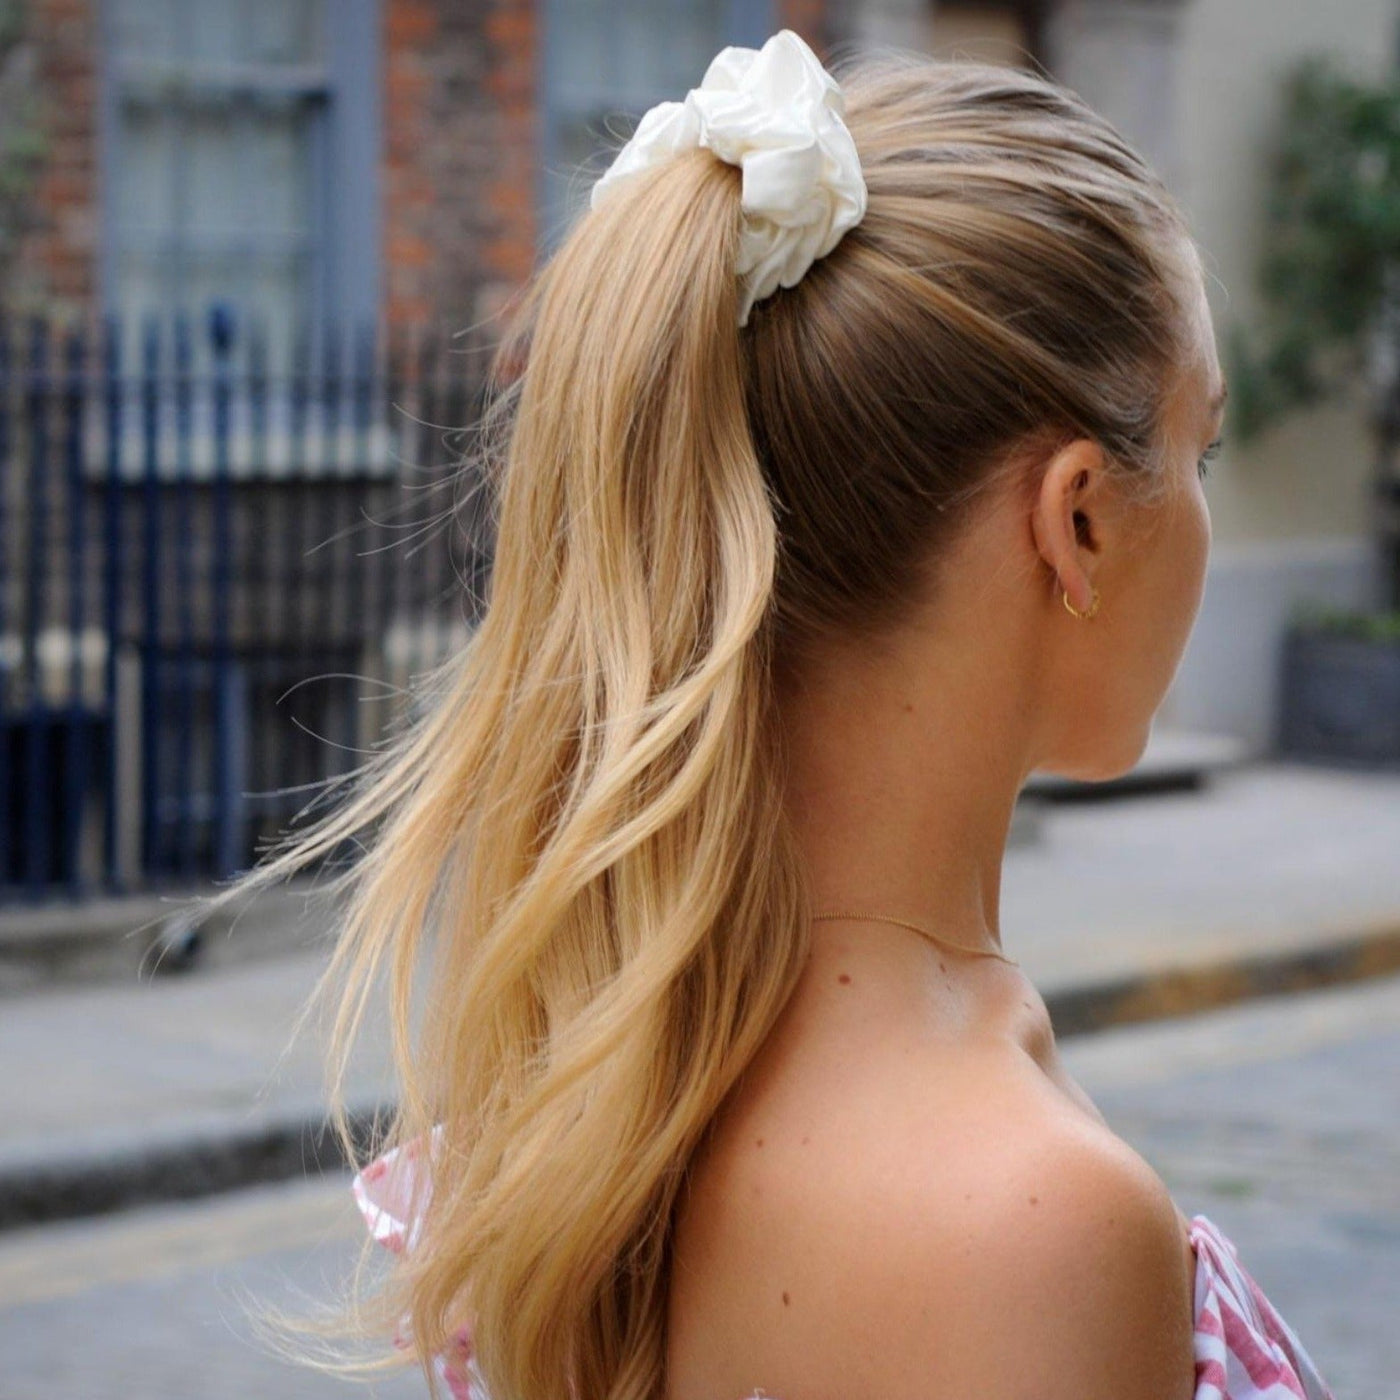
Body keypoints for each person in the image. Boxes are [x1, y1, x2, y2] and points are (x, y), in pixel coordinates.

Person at [229, 26, 1337, 1400]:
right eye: (1199, 444)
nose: (1209, 502)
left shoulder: (610, 1093)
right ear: (1081, 520)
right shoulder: (1029, 1220)